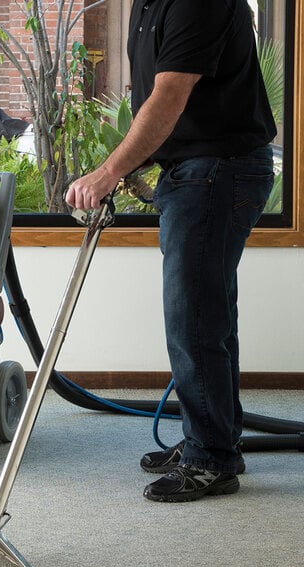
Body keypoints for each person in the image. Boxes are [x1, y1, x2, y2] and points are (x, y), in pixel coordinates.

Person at [65, 0, 276, 502]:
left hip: (219, 170)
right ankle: (213, 441)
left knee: (195, 319)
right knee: (208, 316)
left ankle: (212, 459)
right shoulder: (147, 4)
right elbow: (156, 102)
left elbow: (170, 94)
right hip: (196, 170)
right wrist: (139, 165)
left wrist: (109, 171)